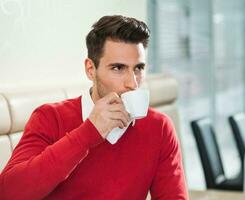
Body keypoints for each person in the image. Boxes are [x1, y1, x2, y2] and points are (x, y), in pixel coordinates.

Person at [0, 15, 188, 199]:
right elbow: (8, 193)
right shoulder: (49, 117)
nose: (132, 83)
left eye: (138, 68)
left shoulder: (160, 127)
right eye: (118, 68)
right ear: (91, 69)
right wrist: (89, 132)